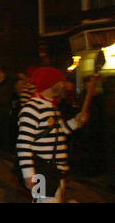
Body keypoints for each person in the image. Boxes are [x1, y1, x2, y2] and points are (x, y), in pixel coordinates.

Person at [17, 67, 89, 203]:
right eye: (60, 82)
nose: (62, 85)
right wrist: (29, 175)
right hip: (43, 172)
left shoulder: (50, 106)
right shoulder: (32, 108)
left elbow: (60, 132)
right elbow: (23, 145)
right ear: (50, 83)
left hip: (54, 172)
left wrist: (76, 122)